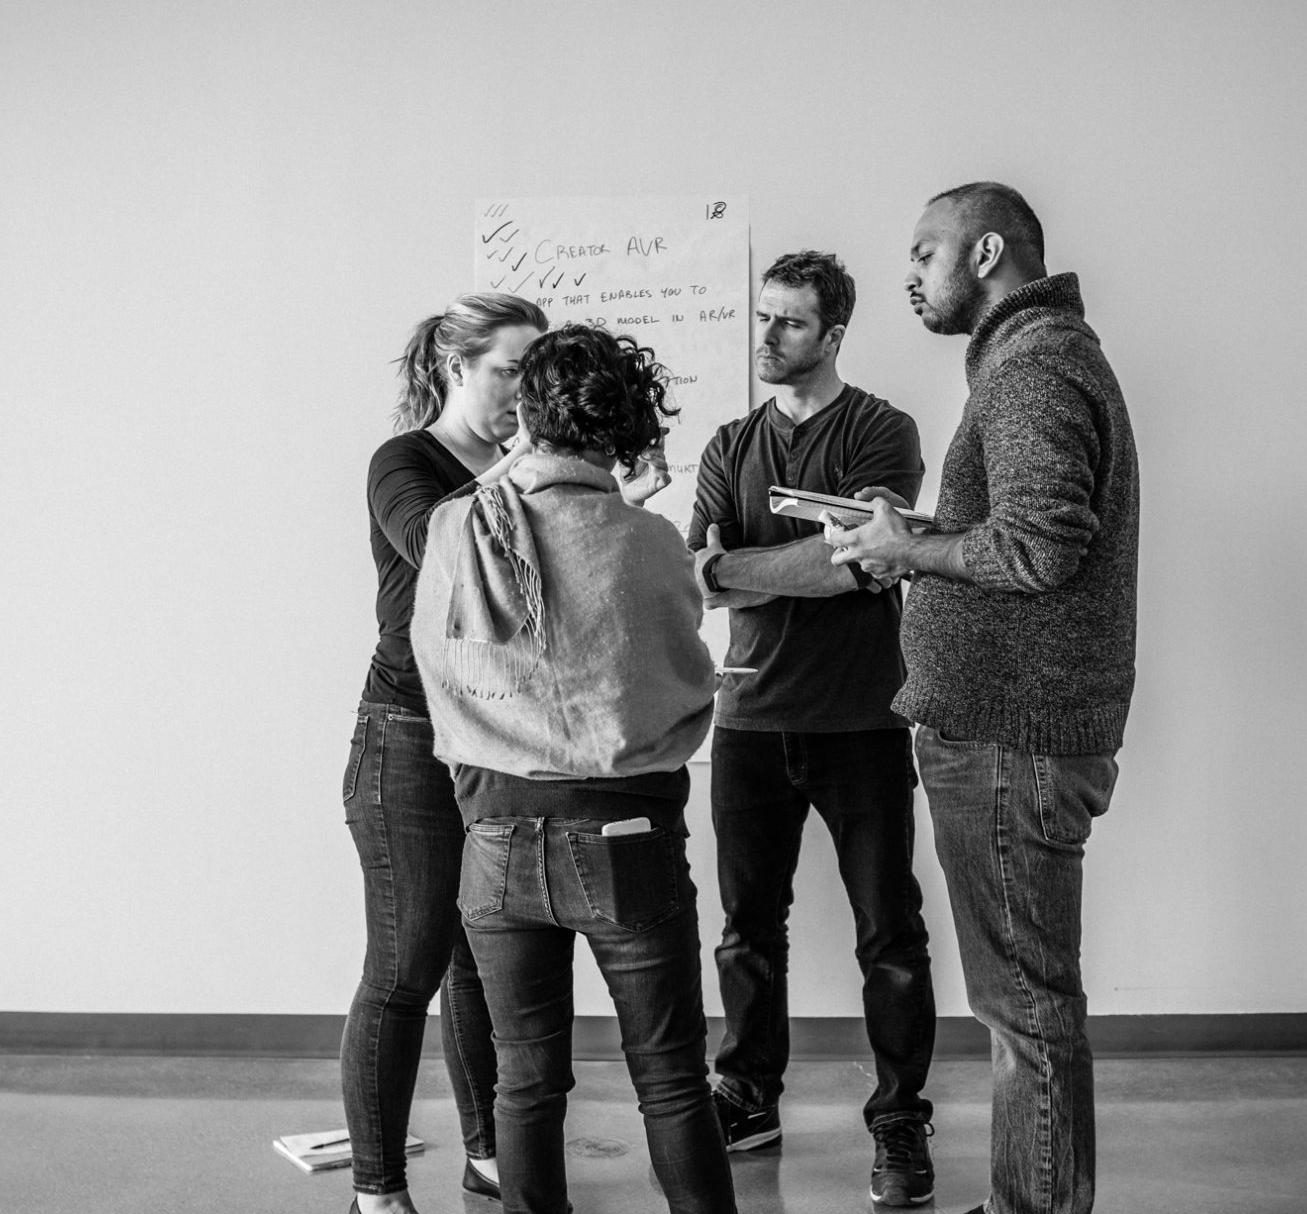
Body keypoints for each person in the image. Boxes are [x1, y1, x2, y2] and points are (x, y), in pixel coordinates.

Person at [825, 184, 1140, 1214]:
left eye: (925, 252)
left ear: (989, 251)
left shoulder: (1033, 367)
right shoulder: (1034, 359)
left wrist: (907, 547)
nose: (909, 275)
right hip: (1012, 736)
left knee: (1025, 1010)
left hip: (1013, 741)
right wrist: (907, 530)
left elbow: (1043, 551)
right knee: (1024, 1004)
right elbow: (1018, 532)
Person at [411, 324, 737, 1214]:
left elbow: (444, 672)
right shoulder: (648, 540)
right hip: (625, 835)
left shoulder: (455, 528)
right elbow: (675, 685)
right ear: (626, 428)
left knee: (524, 1084)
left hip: (494, 836)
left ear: (526, 416)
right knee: (670, 1078)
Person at [688, 251, 939, 1206]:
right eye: (763, 317)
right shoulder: (728, 443)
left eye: (790, 323)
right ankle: (747, 1096)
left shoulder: (883, 430)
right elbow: (691, 576)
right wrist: (767, 565)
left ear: (833, 336)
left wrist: (738, 566)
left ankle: (899, 1119)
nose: (767, 336)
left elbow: (859, 569)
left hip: (861, 718)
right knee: (748, 930)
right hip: (748, 716)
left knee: (890, 932)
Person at [343, 291, 548, 1214]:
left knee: (481, 959)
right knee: (404, 968)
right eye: (509, 368)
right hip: (408, 739)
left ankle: (488, 1155)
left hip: (495, 735)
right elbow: (441, 548)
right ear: (455, 367)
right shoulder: (406, 462)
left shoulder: (528, 470)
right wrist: (521, 466)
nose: (523, 389)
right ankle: (377, 1190)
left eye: (535, 372)